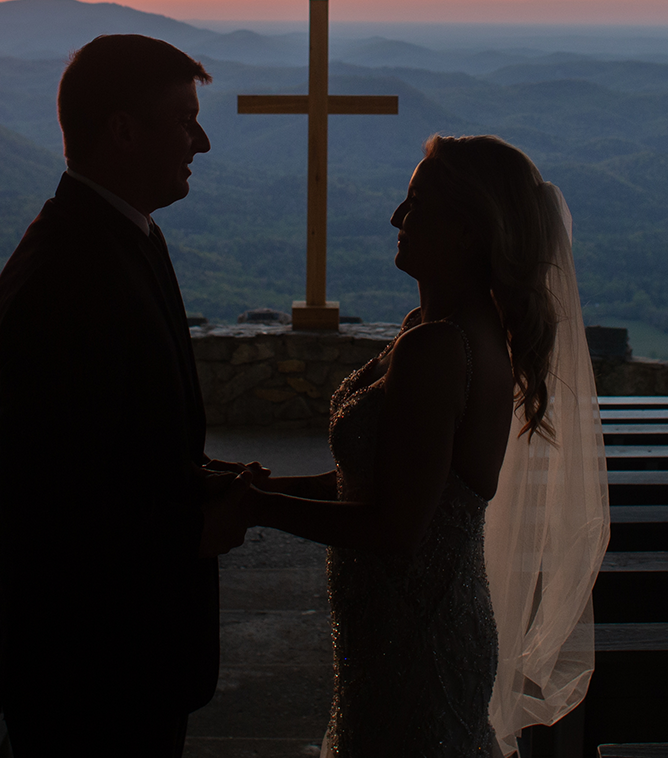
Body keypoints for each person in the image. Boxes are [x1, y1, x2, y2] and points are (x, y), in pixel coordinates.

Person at [220, 135, 610, 757]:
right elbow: (375, 481)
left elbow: (398, 526)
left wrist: (255, 510)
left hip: (416, 630)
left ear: (466, 230)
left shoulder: (437, 350)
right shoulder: (435, 330)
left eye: (417, 203)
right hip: (397, 619)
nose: (397, 218)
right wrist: (259, 484)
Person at [0, 34, 256, 758]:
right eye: (184, 120)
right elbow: (59, 501)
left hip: (134, 662)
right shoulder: (64, 282)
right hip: (94, 678)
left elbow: (121, 442)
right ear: (124, 131)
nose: (201, 140)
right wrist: (197, 532)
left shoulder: (120, 239)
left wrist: (200, 483)